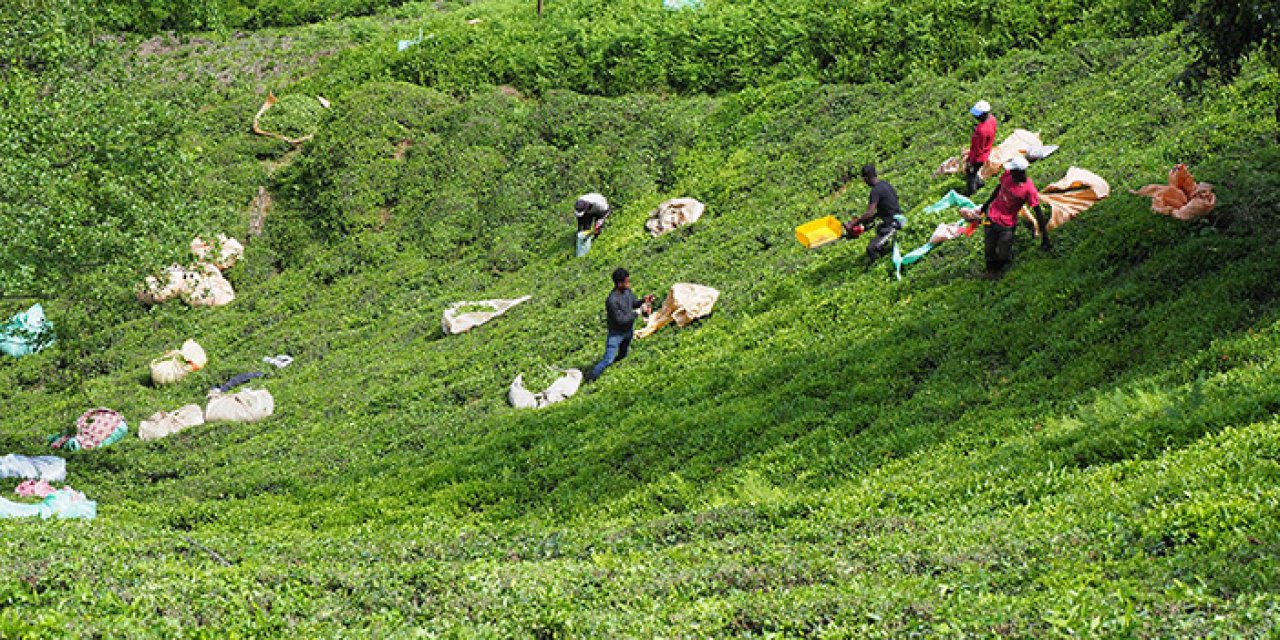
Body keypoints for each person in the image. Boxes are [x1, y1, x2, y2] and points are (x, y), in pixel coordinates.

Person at [972, 156, 1048, 278]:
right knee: (989, 248)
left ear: (1020, 172)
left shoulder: (1029, 190)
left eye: (1013, 171)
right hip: (992, 217)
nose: (1010, 172)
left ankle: (999, 270)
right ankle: (991, 273)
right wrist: (986, 205)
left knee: (1003, 253)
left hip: (1007, 224)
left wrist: (1045, 238)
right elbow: (998, 188)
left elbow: (1038, 213)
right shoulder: (1008, 175)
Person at [587, 268, 654, 382]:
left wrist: (643, 300)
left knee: (623, 354)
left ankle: (614, 367)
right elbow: (621, 320)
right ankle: (590, 377)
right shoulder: (612, 301)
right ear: (619, 283)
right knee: (608, 359)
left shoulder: (627, 292)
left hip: (628, 331)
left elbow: (633, 303)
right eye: (627, 282)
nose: (629, 284)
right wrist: (637, 312)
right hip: (616, 334)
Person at [844, 164, 903, 261]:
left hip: (894, 225)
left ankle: (880, 265)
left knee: (871, 249)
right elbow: (885, 208)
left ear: (866, 178)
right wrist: (863, 225)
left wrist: (853, 223)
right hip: (896, 219)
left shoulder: (875, 191)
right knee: (879, 229)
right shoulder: (885, 185)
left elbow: (870, 213)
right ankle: (884, 251)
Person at [964, 100, 997, 196]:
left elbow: (978, 149)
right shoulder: (992, 119)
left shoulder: (981, 131)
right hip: (986, 152)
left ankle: (972, 193)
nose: (976, 117)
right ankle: (980, 184)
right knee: (974, 172)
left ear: (983, 114)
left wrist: (971, 161)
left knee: (971, 174)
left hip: (979, 157)